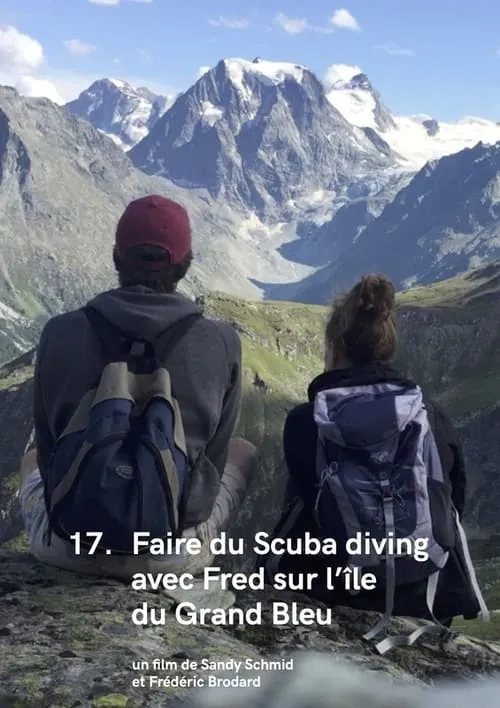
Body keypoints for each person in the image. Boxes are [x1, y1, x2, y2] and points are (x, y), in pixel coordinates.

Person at [20, 194, 257, 579]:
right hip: (169, 557)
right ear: (185, 263)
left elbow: (48, 455)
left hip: (68, 546)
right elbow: (211, 466)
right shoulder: (221, 341)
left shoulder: (59, 332)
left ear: (117, 257)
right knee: (242, 451)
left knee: (29, 459)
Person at [262, 274, 488, 652]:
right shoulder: (429, 413)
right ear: (387, 345)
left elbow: (302, 510)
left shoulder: (307, 422)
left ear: (335, 346)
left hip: (334, 596)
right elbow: (454, 500)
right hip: (424, 597)